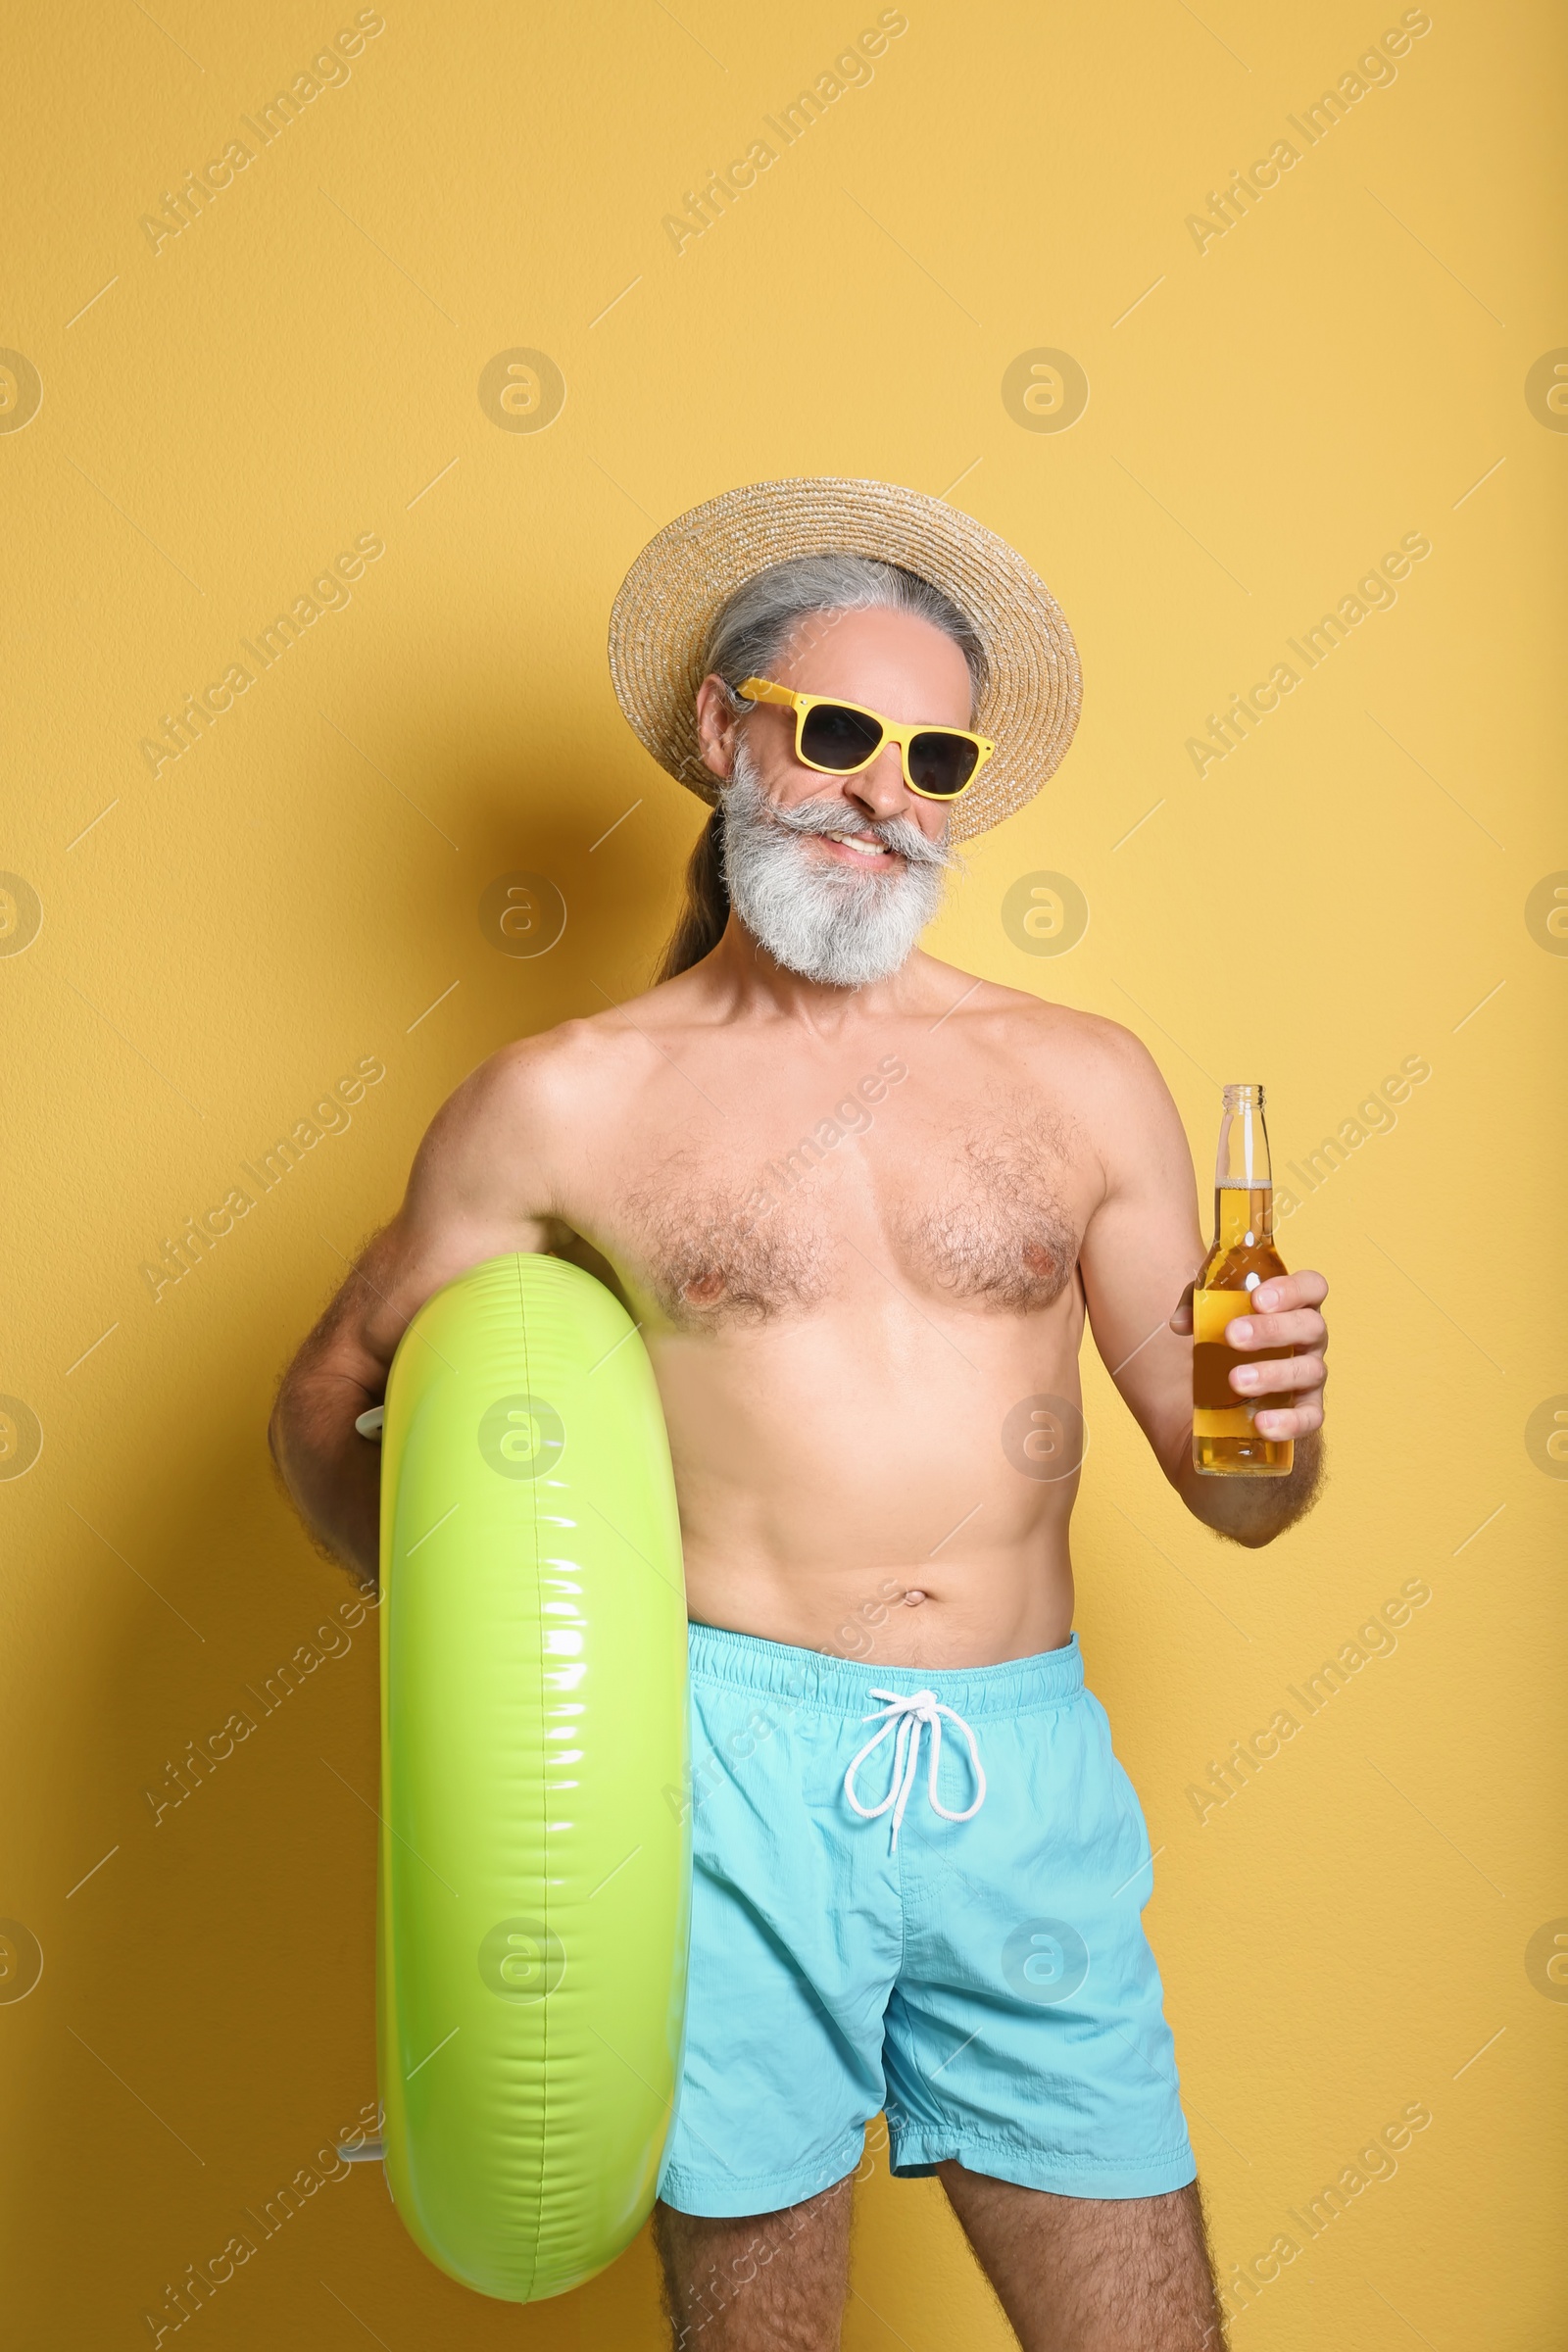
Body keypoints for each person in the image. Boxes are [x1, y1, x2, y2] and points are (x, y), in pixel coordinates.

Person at [270, 477, 1328, 2351]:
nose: (879, 792)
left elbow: (1240, 1499)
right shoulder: (566, 1105)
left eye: (930, 756)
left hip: (1023, 1780)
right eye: (836, 733)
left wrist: (1277, 1420)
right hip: (721, 1785)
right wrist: (495, 1677)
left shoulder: (1081, 1080)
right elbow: (336, 1396)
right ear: (724, 729)